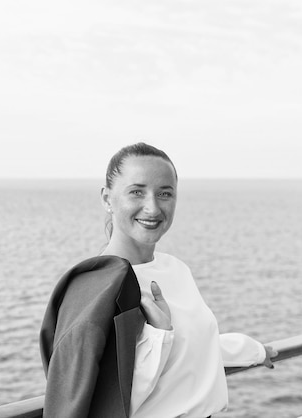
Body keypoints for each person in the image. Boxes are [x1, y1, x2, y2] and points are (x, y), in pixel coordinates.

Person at [40, 142, 277, 418]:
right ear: (107, 199)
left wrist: (256, 351)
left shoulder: (175, 269)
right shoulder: (96, 288)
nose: (152, 208)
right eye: (137, 192)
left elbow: (195, 344)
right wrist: (159, 334)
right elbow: (100, 403)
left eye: (165, 193)